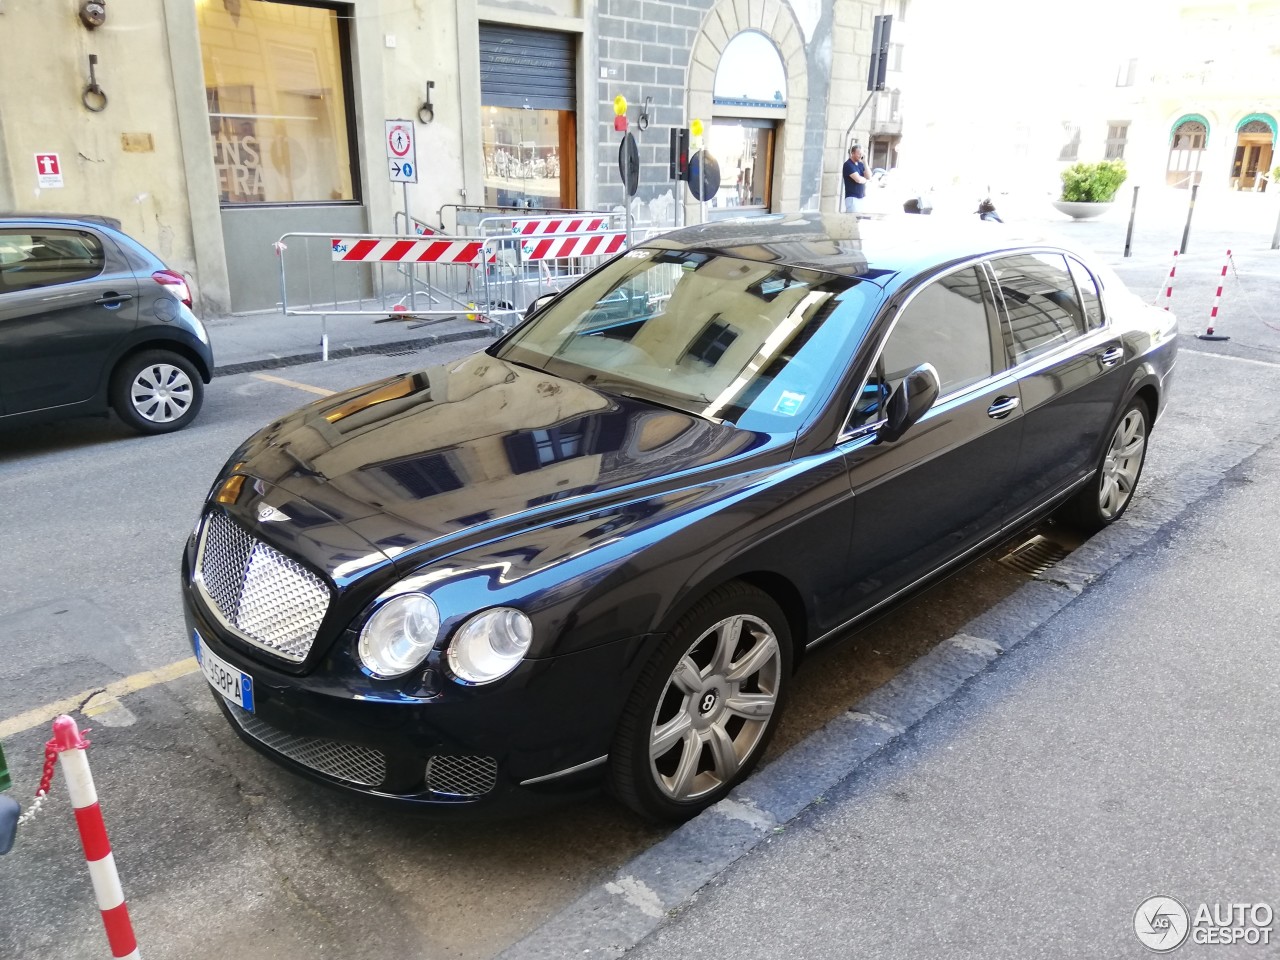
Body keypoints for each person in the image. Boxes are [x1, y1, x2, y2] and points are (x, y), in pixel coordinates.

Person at [842, 145, 868, 214]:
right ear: (852, 153)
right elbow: (858, 179)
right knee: (852, 221)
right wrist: (865, 180)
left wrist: (865, 162)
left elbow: (869, 176)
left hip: (861, 197)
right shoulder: (848, 164)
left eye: (861, 153)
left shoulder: (860, 164)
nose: (860, 155)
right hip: (852, 198)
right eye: (859, 153)